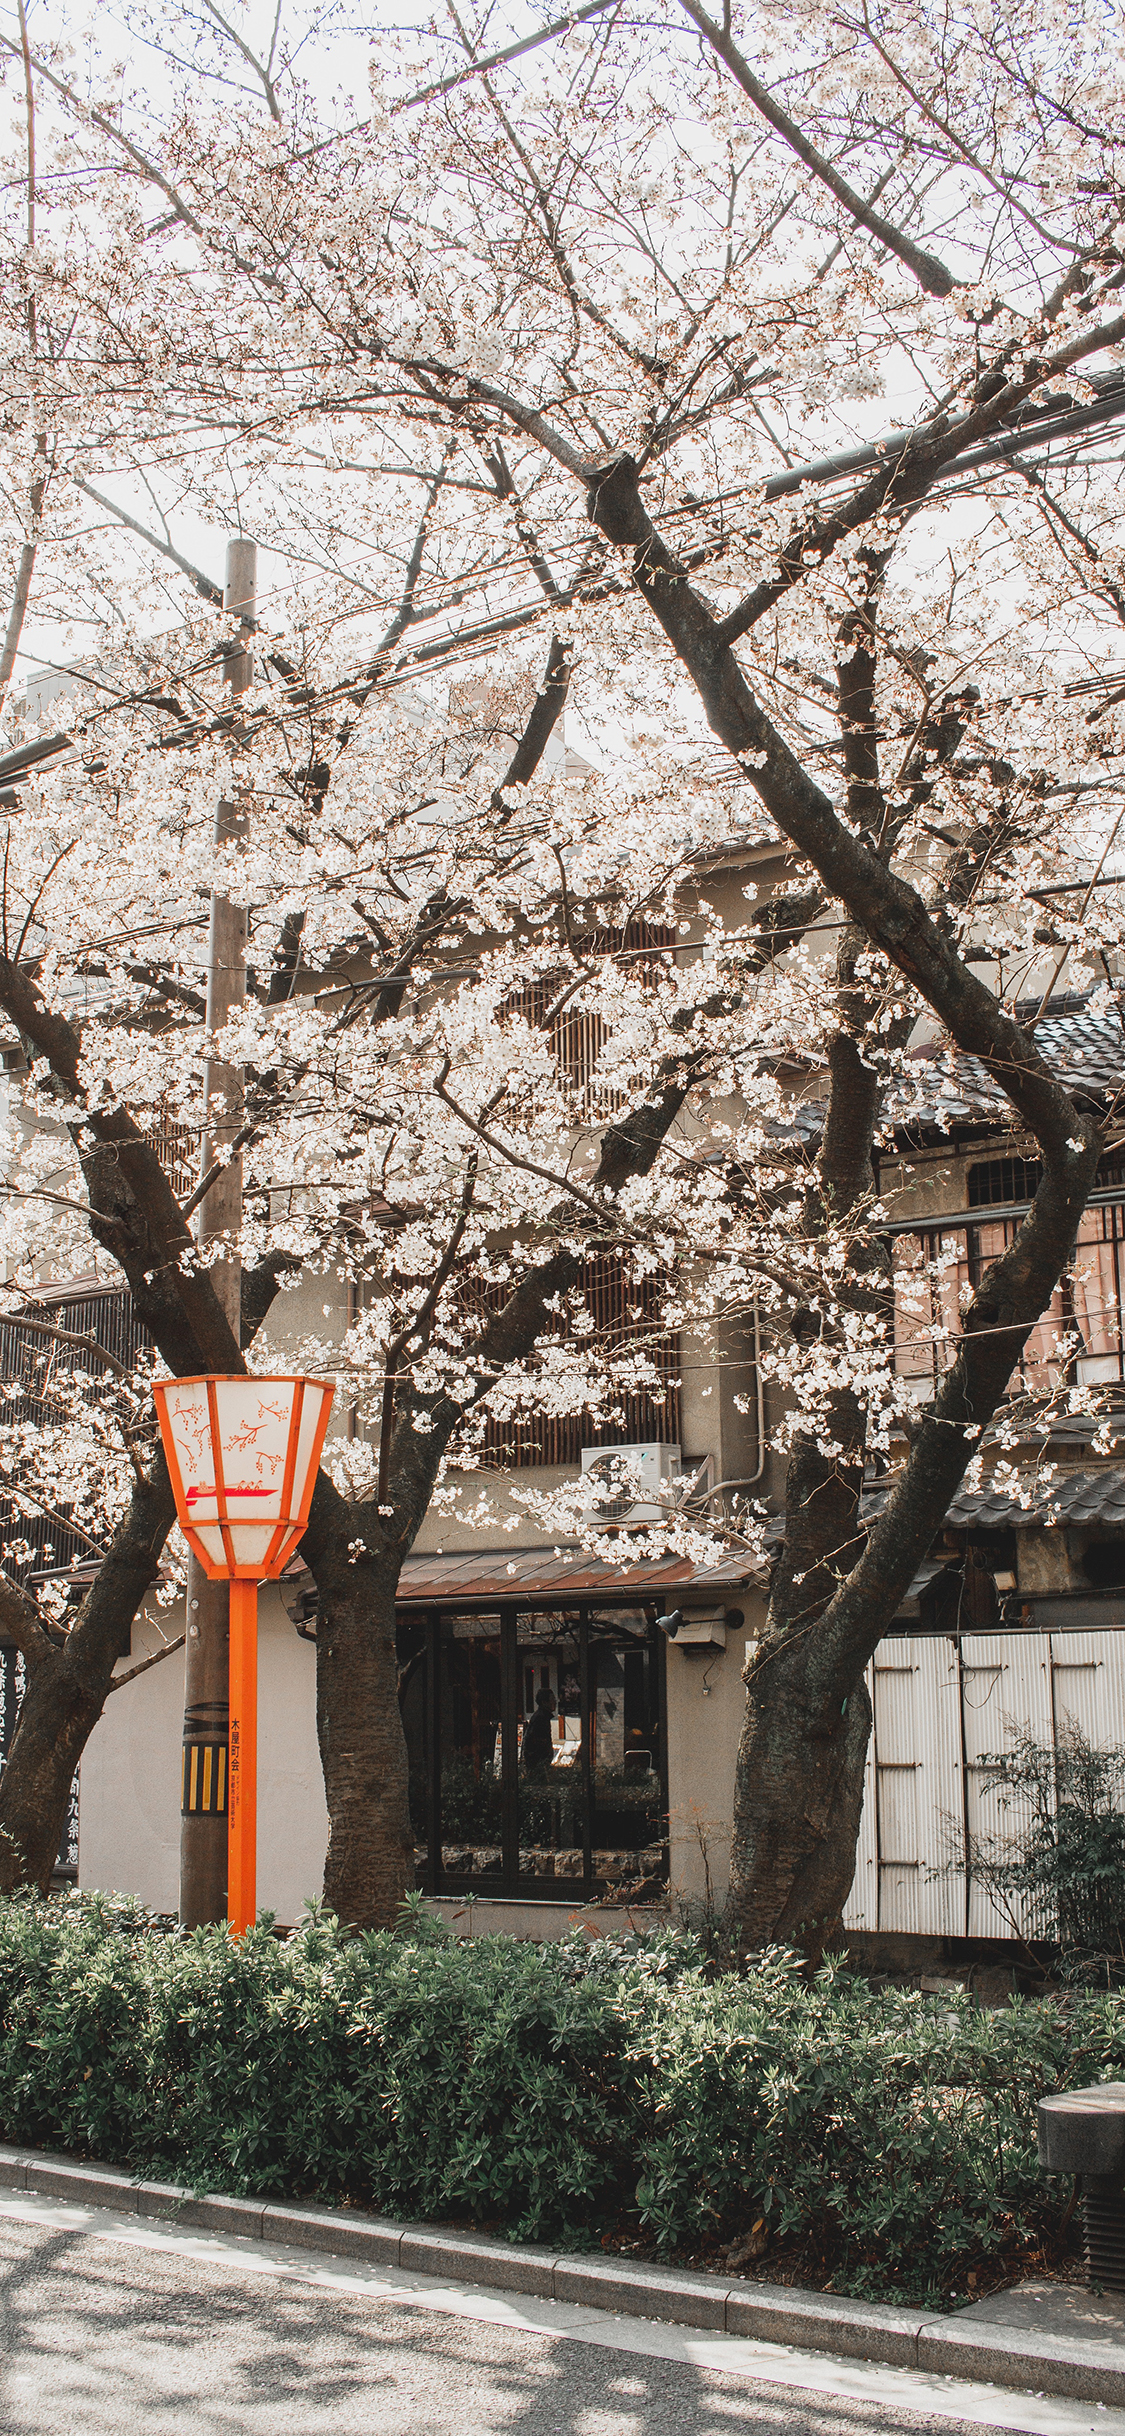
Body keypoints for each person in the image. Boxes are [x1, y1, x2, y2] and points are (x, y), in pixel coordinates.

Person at [520, 1686, 556, 1773]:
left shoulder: (542, 1716)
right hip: (537, 1763)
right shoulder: (540, 1718)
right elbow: (538, 1742)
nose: (555, 1702)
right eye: (552, 1699)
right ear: (544, 1702)